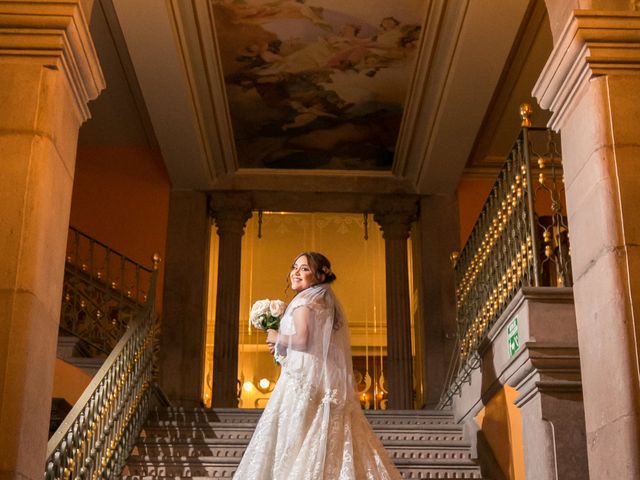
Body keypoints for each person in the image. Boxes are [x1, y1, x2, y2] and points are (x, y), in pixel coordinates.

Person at [233, 252, 401, 479]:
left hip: (302, 382)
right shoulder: (323, 300)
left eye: (304, 268)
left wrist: (277, 337)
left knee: (295, 440)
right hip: (320, 379)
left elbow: (303, 340)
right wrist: (283, 347)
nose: (296, 272)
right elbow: (314, 345)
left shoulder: (305, 300)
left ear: (320, 275)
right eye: (294, 267)